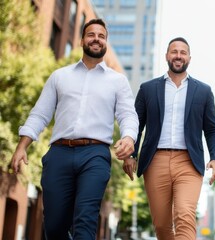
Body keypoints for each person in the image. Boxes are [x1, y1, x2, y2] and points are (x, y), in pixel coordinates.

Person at [10, 18, 139, 239]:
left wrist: (129, 138)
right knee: (54, 225)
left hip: (95, 155)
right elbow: (40, 114)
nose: (96, 39)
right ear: (81, 40)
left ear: (106, 42)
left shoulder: (117, 81)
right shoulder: (60, 76)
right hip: (59, 153)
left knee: (86, 218)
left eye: (101, 36)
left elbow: (128, 114)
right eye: (91, 35)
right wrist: (22, 147)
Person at [122, 37, 215, 240]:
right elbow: (136, 125)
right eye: (174, 51)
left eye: (183, 52)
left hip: (189, 162)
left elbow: (212, 129)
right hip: (155, 161)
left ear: (189, 58)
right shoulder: (148, 89)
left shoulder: (203, 91)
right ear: (167, 56)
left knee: (185, 215)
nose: (178, 55)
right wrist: (130, 154)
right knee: (161, 224)